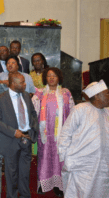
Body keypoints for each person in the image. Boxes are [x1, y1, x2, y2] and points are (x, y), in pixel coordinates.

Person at [58, 80, 109, 198]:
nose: (108, 96)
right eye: (106, 93)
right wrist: (65, 157)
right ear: (96, 95)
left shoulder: (107, 112)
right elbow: (65, 134)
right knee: (81, 193)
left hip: (103, 166)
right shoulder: (80, 109)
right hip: (81, 165)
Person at [0, 73, 38, 198]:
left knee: (24, 173)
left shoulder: (27, 96)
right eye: (22, 82)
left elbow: (33, 113)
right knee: (11, 174)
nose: (25, 84)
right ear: (13, 84)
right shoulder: (0, 99)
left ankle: (24, 195)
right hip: (10, 141)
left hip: (27, 139)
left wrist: (33, 128)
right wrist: (13, 132)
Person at [32, 67, 75, 197]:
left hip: (62, 133)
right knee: (44, 157)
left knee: (60, 158)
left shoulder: (66, 93)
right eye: (49, 75)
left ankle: (59, 186)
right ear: (45, 78)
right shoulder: (40, 93)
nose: (51, 78)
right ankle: (44, 183)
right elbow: (33, 112)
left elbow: (73, 112)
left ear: (59, 78)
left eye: (54, 75)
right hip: (44, 134)